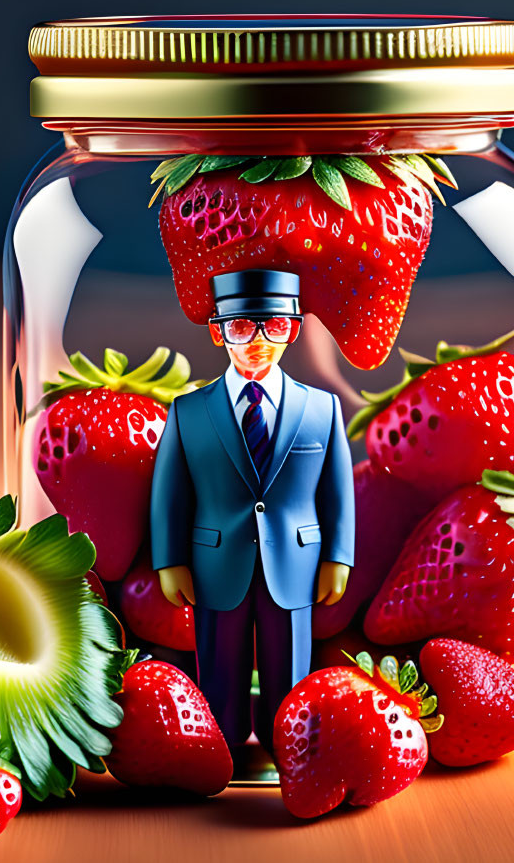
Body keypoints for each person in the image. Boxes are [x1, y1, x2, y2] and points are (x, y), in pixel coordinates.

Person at [149, 269, 355, 768]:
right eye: (242, 328)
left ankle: (290, 742)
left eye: (275, 327)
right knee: (219, 659)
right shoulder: (189, 411)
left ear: (295, 329)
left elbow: (338, 489)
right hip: (216, 559)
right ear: (218, 331)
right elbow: (170, 492)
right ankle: (218, 743)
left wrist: (338, 556)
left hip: (296, 559)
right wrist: (169, 560)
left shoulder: (321, 408)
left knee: (291, 664)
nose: (259, 342)